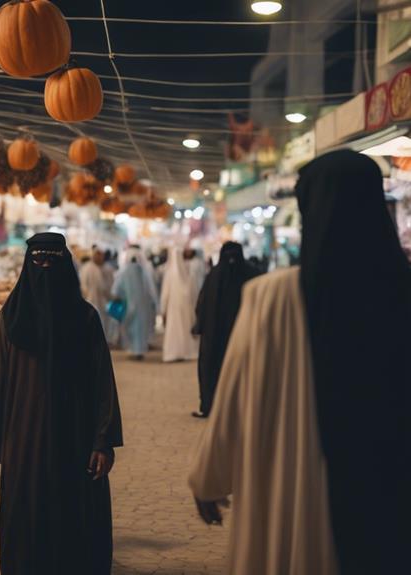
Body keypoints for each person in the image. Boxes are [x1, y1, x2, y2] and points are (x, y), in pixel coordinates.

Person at [188, 150, 410, 574]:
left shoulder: (270, 298)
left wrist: (209, 476)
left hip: (289, 501)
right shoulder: (399, 293)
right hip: (384, 502)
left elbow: (232, 397)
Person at [0, 233, 123, 575]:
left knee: (73, 514)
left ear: (65, 267)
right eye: (37, 261)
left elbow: (102, 382)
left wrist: (103, 441)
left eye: (52, 261)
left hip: (74, 436)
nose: (44, 268)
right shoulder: (10, 321)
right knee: (27, 511)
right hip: (22, 438)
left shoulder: (85, 320)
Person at [191, 242, 259, 418]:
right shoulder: (251, 273)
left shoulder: (215, 275)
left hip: (215, 336)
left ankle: (210, 405)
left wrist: (200, 326)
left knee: (213, 369)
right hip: (244, 334)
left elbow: (202, 304)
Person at [111, 252, 157, 359]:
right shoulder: (143, 272)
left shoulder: (123, 272)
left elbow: (116, 289)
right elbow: (150, 290)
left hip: (128, 306)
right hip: (143, 307)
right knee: (140, 329)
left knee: (131, 329)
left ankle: (133, 350)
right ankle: (139, 350)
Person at [160, 248, 200, 362]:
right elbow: (194, 293)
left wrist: (163, 310)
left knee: (174, 329)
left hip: (173, 308)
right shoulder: (189, 273)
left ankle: (173, 352)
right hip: (187, 309)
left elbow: (165, 294)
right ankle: (186, 352)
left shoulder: (169, 274)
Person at [80, 246, 117, 344]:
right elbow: (83, 285)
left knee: (105, 322)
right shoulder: (86, 268)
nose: (99, 257)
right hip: (90, 300)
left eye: (101, 255)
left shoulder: (108, 269)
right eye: (97, 254)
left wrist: (111, 296)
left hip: (105, 302)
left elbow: (112, 285)